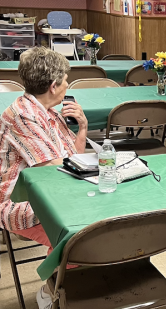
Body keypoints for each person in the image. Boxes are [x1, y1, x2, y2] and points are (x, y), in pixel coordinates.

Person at [0, 47, 88, 308]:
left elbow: (75, 158)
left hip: (55, 191)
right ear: (53, 85)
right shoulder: (22, 115)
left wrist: (81, 127)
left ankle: (79, 282)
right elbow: (54, 168)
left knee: (99, 222)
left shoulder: (49, 112)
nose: (68, 84)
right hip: (19, 202)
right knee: (79, 234)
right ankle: (52, 290)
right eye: (65, 78)